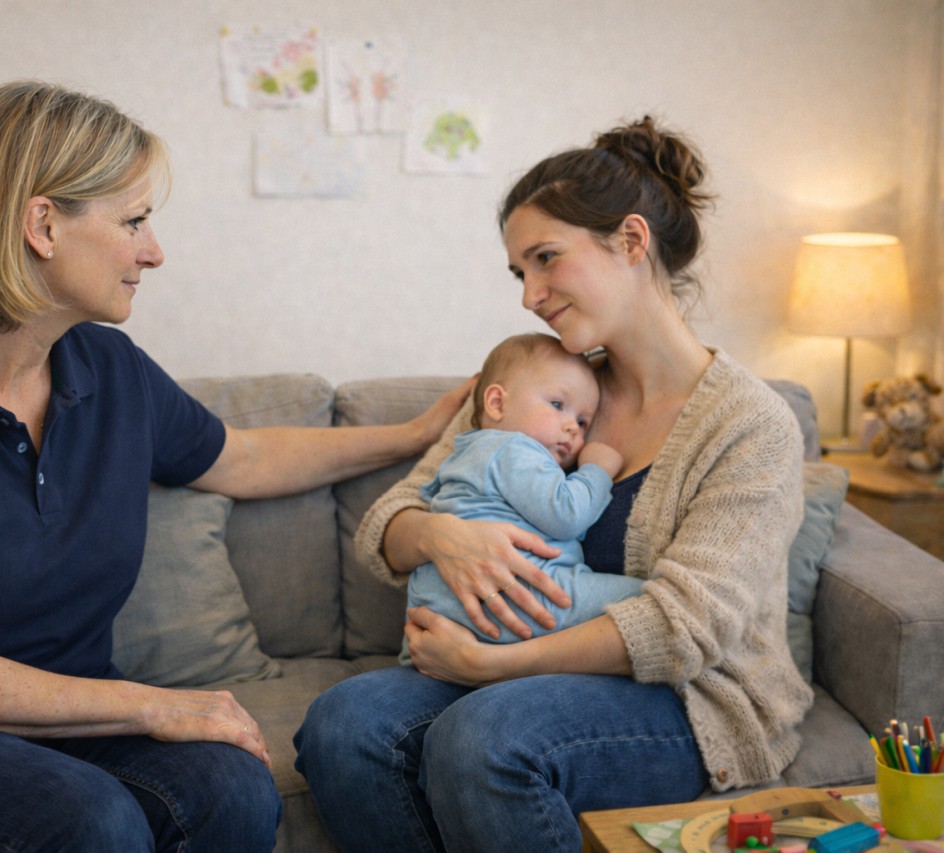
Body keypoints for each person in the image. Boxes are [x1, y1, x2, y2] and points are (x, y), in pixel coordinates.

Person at [0, 80, 469, 853]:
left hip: (55, 722)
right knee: (91, 820)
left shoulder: (106, 366)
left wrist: (416, 433)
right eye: (135, 220)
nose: (154, 251)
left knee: (229, 786)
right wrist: (152, 704)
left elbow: (245, 456)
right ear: (43, 224)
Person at [294, 116, 813, 853]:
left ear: (631, 242)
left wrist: (493, 665)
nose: (529, 294)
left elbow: (685, 628)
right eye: (519, 272)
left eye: (545, 259)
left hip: (689, 694)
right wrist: (445, 533)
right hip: (520, 662)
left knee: (486, 737)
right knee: (342, 724)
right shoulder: (546, 383)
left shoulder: (749, 423)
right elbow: (390, 519)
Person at [406, 332, 643, 648]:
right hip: (519, 593)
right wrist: (597, 470)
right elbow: (567, 515)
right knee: (648, 596)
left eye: (583, 422)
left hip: (439, 603)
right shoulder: (514, 449)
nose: (572, 427)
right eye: (557, 405)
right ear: (496, 403)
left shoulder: (465, 456)